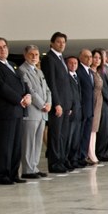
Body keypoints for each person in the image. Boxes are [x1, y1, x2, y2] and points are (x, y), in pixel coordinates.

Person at [0, 37, 31, 184]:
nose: (2, 49)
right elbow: (1, 87)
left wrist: (28, 95)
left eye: (4, 46)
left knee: (16, 144)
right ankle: (3, 175)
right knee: (4, 145)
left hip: (17, 111)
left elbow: (22, 82)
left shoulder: (11, 64)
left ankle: (13, 174)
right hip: (3, 113)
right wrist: (20, 99)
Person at [41, 31, 75, 173]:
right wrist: (57, 103)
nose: (61, 44)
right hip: (58, 104)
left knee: (63, 135)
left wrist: (69, 103)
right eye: (58, 42)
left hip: (66, 103)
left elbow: (66, 83)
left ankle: (62, 160)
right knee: (55, 135)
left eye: (63, 42)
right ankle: (54, 164)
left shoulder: (61, 58)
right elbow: (51, 83)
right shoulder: (49, 58)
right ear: (52, 43)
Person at [17, 45, 51, 179]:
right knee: (28, 141)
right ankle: (27, 170)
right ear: (25, 55)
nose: (34, 57)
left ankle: (34, 167)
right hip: (31, 112)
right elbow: (30, 90)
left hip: (43, 112)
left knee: (37, 142)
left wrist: (48, 103)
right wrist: (42, 104)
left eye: (36, 55)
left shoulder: (39, 71)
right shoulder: (22, 70)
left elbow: (47, 90)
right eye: (31, 54)